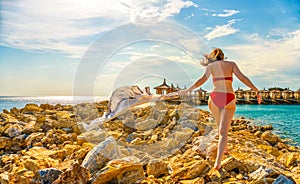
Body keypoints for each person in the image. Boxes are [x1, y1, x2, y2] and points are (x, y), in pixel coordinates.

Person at [178, 48, 262, 170]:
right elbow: (243, 78)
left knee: (220, 127)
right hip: (229, 97)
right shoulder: (231, 64)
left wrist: (187, 90)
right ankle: (218, 161)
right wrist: (256, 90)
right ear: (223, 56)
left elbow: (201, 80)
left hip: (215, 97)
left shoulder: (211, 66)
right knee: (224, 131)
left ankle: (223, 152)